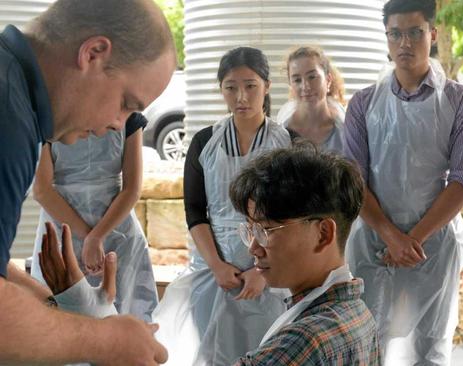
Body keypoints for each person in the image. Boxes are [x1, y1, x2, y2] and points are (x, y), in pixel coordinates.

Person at [39, 144, 381, 366]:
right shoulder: (356, 312)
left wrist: (96, 319)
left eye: (267, 230)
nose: (253, 247)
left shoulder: (306, 341)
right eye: (250, 229)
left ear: (323, 233)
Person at [0, 0, 176, 364]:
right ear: (93, 54)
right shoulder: (7, 118)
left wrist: (67, 304)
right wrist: (102, 337)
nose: (118, 124)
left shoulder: (15, 91)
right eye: (126, 103)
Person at [343, 0, 463, 364]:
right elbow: (353, 180)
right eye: (396, 33)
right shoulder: (363, 103)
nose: (405, 42)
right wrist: (391, 236)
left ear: (432, 35)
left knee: (430, 344)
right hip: (374, 241)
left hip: (433, 245)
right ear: (386, 38)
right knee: (368, 340)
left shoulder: (459, 100)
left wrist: (413, 239)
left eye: (415, 32)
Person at [153, 46, 291, 365]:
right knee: (216, 354)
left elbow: (295, 217)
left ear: (267, 87)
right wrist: (216, 264)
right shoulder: (204, 142)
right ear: (221, 90)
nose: (241, 96)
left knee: (268, 353)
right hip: (214, 273)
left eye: (250, 86)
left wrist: (262, 270)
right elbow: (195, 211)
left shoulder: (288, 143)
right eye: (231, 87)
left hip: (273, 275)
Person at [31, 112, 158, 321]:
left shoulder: (130, 117)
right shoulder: (49, 115)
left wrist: (95, 237)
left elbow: (132, 189)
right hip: (61, 226)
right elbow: (42, 190)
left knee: (125, 320)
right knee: (60, 318)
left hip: (118, 230)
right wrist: (90, 238)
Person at [276, 46, 347, 153]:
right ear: (290, 84)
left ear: (328, 80)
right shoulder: (281, 134)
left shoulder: (344, 133)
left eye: (312, 77)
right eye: (297, 80)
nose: (305, 86)